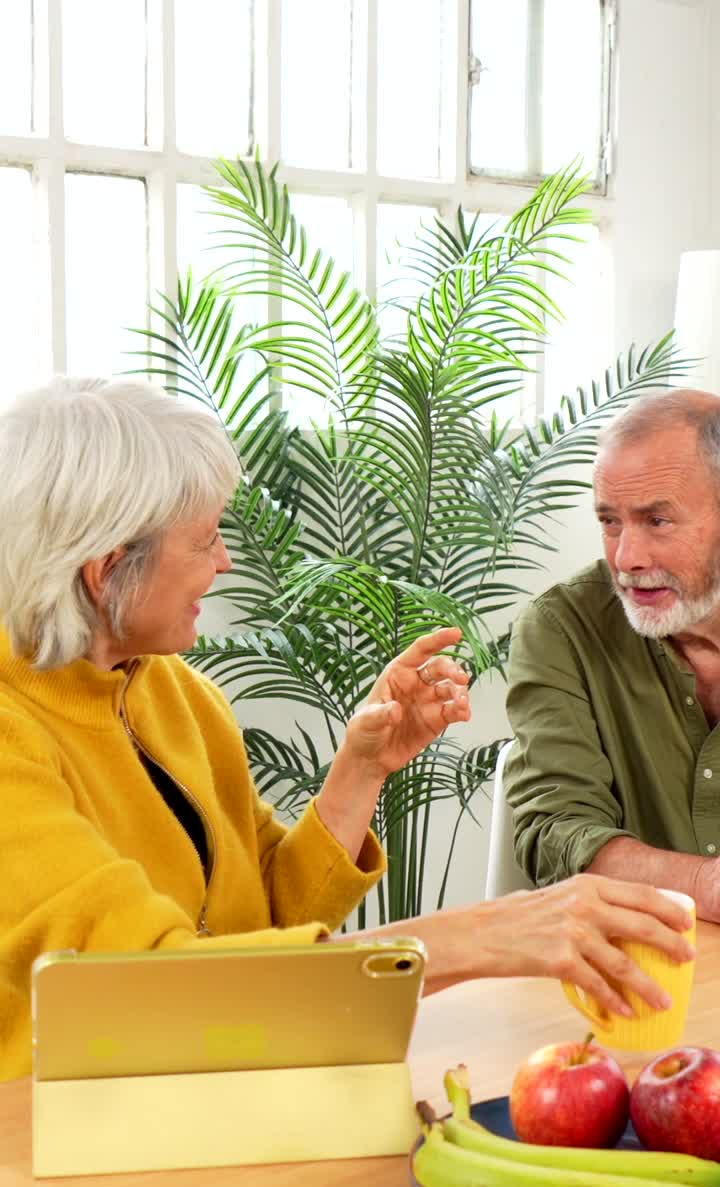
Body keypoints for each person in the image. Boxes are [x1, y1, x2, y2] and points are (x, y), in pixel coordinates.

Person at [0, 377, 693, 1079]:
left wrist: (362, 769)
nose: (224, 562)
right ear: (109, 569)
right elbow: (147, 989)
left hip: (218, 1088)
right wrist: (466, 938)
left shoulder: (179, 694)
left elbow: (267, 921)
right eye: (205, 540)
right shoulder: (10, 739)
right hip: (53, 1132)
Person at [504, 387, 720, 923]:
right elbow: (555, 831)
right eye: (609, 520)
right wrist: (705, 885)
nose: (627, 557)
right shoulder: (563, 630)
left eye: (657, 521)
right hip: (636, 976)